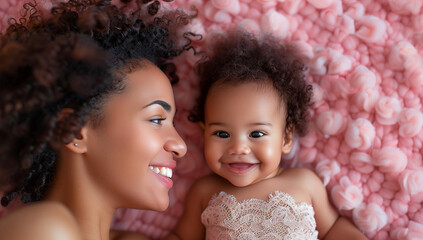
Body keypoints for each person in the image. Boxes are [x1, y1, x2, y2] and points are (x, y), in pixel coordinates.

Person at [0, 0, 196, 239]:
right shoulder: (45, 230)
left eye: (172, 123)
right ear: (73, 132)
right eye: (156, 119)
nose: (180, 146)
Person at [167, 32, 368, 240]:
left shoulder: (304, 183)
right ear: (204, 133)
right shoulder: (204, 192)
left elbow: (334, 228)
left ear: (286, 139)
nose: (238, 147)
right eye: (222, 133)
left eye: (256, 133)